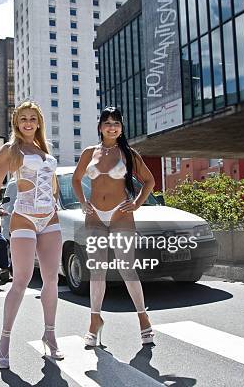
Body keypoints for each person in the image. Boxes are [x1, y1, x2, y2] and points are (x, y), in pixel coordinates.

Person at [0, 100, 64, 369]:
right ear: (16, 123)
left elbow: (52, 183)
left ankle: (50, 334)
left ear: (39, 122)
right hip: (24, 217)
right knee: (21, 279)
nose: (29, 123)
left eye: (33, 118)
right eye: (24, 118)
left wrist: (56, 202)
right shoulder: (11, 150)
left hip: (50, 217)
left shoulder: (45, 149)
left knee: (51, 279)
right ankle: (4, 341)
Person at [72, 106, 155, 348]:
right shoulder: (89, 153)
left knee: (127, 269)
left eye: (116, 122)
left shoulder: (129, 153)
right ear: (100, 127)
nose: (112, 126)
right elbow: (77, 179)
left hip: (121, 216)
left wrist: (137, 204)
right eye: (107, 122)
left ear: (121, 127)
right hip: (95, 216)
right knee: (97, 270)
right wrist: (83, 202)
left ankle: (143, 318)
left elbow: (149, 180)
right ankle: (94, 321)